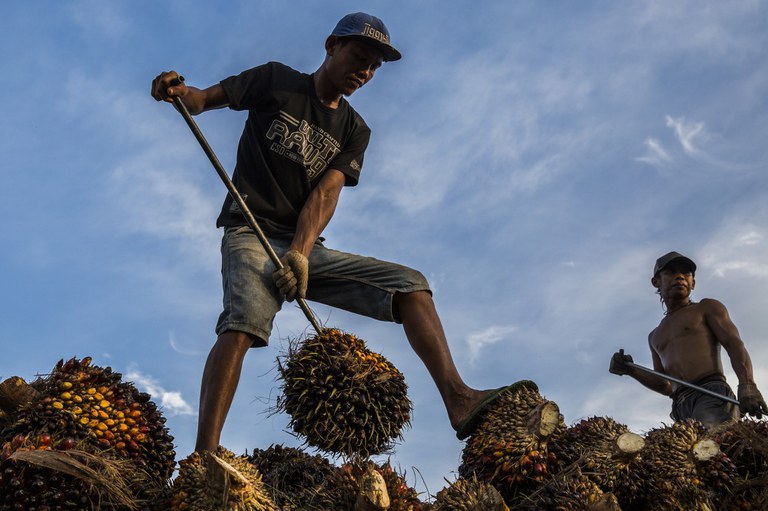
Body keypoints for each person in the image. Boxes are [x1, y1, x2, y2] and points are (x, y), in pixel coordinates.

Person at [151, 12, 517, 451]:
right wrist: (176, 89)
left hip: (303, 249)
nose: (364, 73)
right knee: (243, 324)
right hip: (249, 232)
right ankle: (205, 454)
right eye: (359, 58)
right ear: (331, 46)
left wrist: (301, 255)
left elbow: (325, 193)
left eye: (373, 68)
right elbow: (202, 98)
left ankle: (457, 397)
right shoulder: (275, 80)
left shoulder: (354, 130)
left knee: (411, 287)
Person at [610, 251, 766, 428]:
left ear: (693, 283)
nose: (680, 277)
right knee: (687, 451)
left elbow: (733, 343)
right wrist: (631, 370)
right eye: (670, 272)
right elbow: (665, 384)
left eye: (686, 273)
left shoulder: (706, 308)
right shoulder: (654, 335)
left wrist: (747, 385)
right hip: (680, 405)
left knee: (707, 447)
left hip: (711, 393)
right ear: (656, 282)